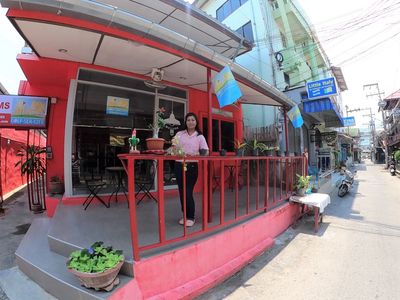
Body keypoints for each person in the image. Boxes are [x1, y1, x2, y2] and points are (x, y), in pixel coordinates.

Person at [173, 112, 209, 227]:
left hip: (192, 166)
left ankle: (191, 217)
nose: (190, 122)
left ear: (196, 122)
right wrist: (177, 150)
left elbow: (206, 151)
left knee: (188, 191)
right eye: (188, 120)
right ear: (185, 122)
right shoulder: (179, 134)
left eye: (193, 120)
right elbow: (173, 148)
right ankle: (184, 215)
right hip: (179, 165)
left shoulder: (200, 136)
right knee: (181, 191)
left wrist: (197, 154)